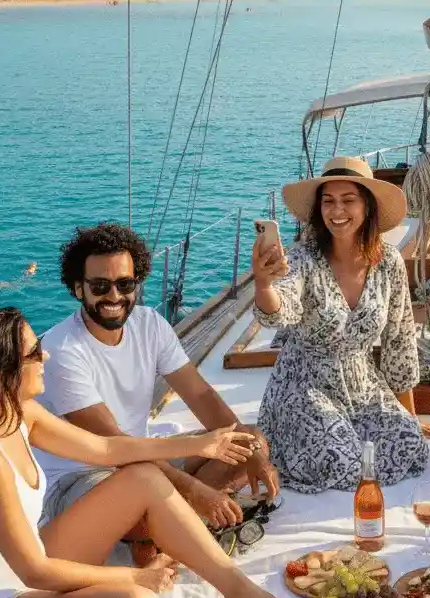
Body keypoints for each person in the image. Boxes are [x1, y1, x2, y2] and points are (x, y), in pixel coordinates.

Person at [0, 308, 296, 598]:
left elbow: (106, 449)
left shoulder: (20, 414)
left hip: (25, 569)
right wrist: (135, 577)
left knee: (144, 478)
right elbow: (35, 573)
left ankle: (240, 593)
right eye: (34, 353)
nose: (45, 355)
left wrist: (200, 445)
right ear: (1, 374)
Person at [36, 223, 279, 558]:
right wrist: (194, 491)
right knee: (146, 501)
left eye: (125, 284)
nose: (114, 296)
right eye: (99, 285)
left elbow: (201, 396)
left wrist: (251, 450)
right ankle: (172, 529)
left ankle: (171, 531)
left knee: (249, 440)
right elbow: (114, 445)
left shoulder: (149, 324)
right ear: (78, 288)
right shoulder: (62, 351)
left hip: (145, 458)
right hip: (81, 478)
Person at [251, 156, 428, 493]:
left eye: (348, 200)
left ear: (367, 207)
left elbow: (400, 342)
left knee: (411, 445)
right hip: (305, 385)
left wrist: (410, 417)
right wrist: (263, 285)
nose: (337, 211)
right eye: (328, 201)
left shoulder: (388, 263)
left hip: (362, 385)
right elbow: (279, 309)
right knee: (342, 461)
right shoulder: (303, 259)